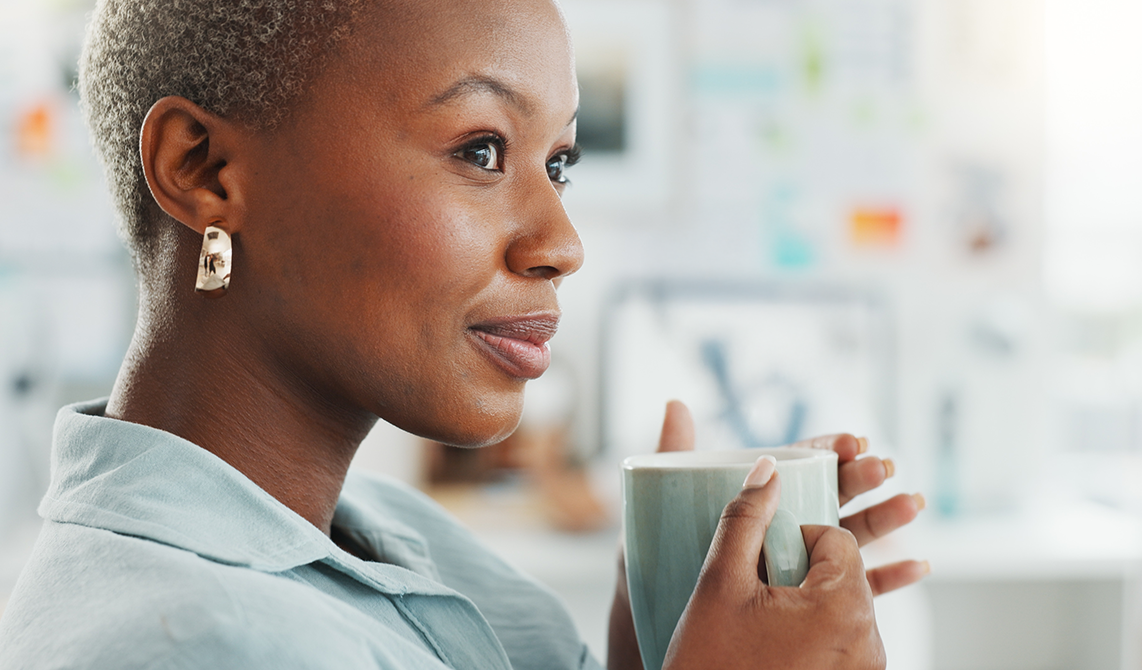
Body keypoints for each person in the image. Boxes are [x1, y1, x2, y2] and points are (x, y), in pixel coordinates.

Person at [0, 0, 927, 668]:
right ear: (202, 170)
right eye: (481, 150)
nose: (562, 243)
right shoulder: (198, 641)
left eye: (558, 163)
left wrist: (655, 643)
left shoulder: (407, 541)